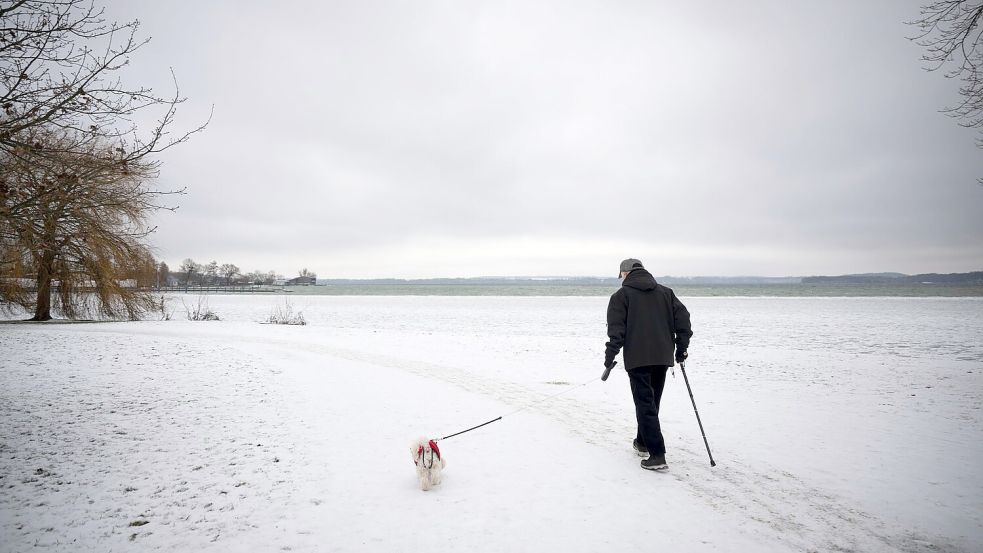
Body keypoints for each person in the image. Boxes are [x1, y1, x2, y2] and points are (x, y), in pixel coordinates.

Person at [604, 258, 692, 471]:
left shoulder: (621, 296)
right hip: (662, 356)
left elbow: (616, 331)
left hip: (638, 358)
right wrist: (681, 348)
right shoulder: (666, 293)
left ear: (625, 274)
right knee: (651, 402)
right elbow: (683, 321)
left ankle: (657, 455)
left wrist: (610, 355)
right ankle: (643, 442)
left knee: (645, 403)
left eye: (621, 276)